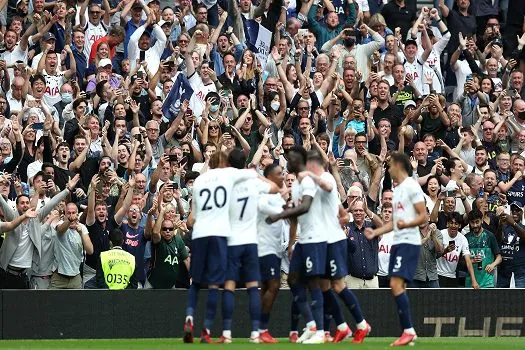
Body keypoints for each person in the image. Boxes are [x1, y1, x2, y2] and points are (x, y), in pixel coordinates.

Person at [183, 150, 258, 343]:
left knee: (196, 282)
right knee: (215, 284)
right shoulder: (228, 175)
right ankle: (207, 329)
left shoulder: (199, 180)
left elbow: (194, 216)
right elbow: (249, 173)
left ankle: (189, 317)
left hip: (199, 233)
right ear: (225, 163)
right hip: (219, 233)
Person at [365, 152, 427, 346]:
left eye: (390, 166)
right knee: (398, 285)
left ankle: (408, 330)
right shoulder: (397, 189)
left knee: (395, 284)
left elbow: (423, 216)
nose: (389, 169)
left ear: (399, 165)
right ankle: (408, 331)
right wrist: (376, 233)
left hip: (409, 242)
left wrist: (407, 224)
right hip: (399, 242)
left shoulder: (411, 186)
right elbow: (393, 222)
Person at [265, 147, 327, 344]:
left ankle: (320, 330)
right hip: (302, 240)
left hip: (315, 237)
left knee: (313, 282)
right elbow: (296, 215)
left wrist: (280, 214)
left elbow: (306, 205)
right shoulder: (298, 184)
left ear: (298, 159)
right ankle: (311, 325)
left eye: (289, 157)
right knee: (293, 280)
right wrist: (291, 243)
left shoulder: (308, 181)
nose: (286, 160)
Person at [218, 149, 279, 344]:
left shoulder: (226, 181)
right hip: (251, 241)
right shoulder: (253, 180)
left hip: (232, 241)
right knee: (254, 286)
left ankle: (226, 333)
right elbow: (275, 189)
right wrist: (257, 175)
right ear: (245, 162)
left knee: (229, 285)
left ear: (229, 162)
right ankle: (255, 333)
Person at [437, 212, 479, 288]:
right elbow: (435, 254)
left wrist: (474, 280)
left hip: (452, 276)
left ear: (459, 225)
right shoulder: (440, 234)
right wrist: (446, 251)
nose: (453, 226)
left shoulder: (463, 239)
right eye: (451, 223)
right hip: (437, 274)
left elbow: (468, 261)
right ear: (447, 224)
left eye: (456, 223)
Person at [464, 209, 502, 288]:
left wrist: (493, 265)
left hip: (487, 281)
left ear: (482, 220)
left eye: (477, 222)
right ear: (469, 223)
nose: (474, 225)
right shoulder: (466, 238)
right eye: (472, 222)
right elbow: (460, 261)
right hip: (470, 282)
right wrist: (471, 261)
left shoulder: (490, 236)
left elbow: (499, 257)